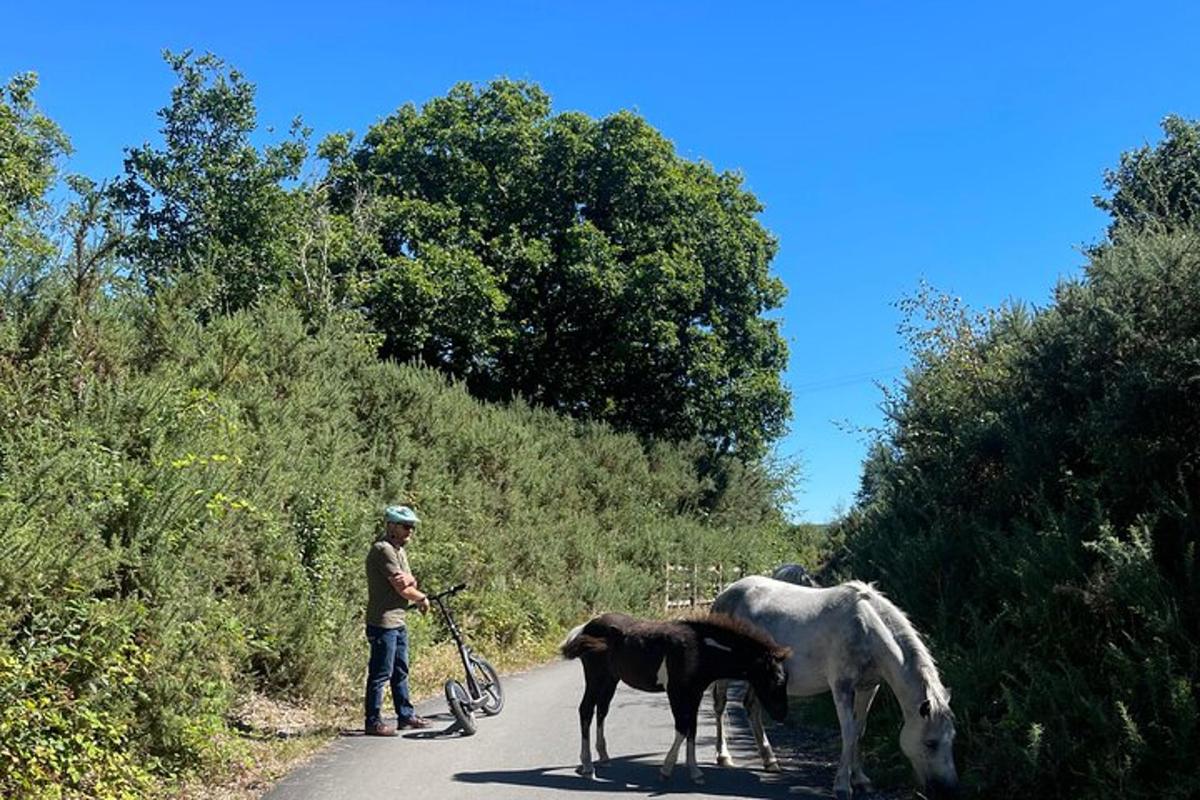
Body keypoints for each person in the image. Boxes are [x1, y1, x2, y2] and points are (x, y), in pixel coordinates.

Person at [364, 504, 432, 735]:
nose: (409, 531)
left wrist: (411, 581)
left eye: (411, 527)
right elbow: (403, 588)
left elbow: (409, 582)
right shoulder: (383, 549)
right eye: (405, 527)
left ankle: (406, 715)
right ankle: (373, 721)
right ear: (391, 525)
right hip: (383, 622)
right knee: (380, 673)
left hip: (398, 620)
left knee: (400, 670)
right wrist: (422, 598)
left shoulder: (399, 550)